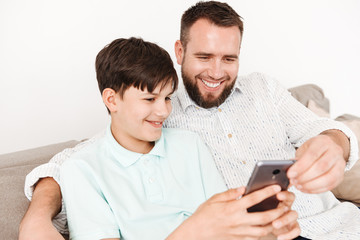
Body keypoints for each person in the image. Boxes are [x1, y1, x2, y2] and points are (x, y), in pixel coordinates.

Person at [20, 1, 360, 239]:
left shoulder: (263, 90)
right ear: (180, 52)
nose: (216, 71)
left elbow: (324, 131)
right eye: (204, 56)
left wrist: (334, 143)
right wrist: (36, 217)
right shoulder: (158, 119)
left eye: (229, 58)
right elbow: (76, 161)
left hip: (340, 225)